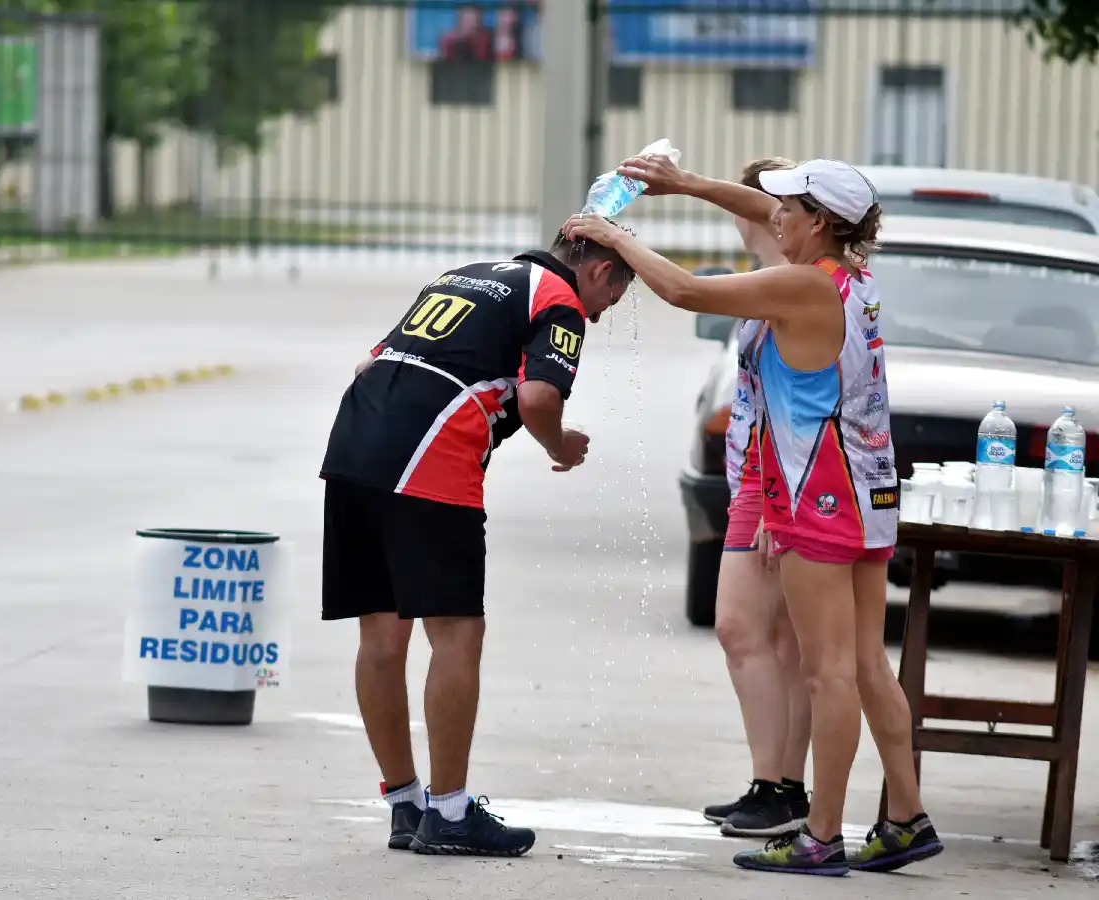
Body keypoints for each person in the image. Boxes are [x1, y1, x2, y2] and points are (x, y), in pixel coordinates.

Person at [564, 157, 942, 876]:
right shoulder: (852, 275)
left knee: (829, 674)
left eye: (787, 210)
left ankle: (820, 836)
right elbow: (761, 208)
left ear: (819, 222)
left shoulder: (803, 285)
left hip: (816, 495)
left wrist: (613, 236)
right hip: (866, 493)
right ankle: (906, 817)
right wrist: (687, 185)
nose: (773, 217)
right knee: (866, 665)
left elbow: (684, 290)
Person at [319, 225, 635, 857]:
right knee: (457, 632)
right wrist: (559, 444)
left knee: (380, 635)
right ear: (600, 272)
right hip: (429, 456)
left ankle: (405, 804)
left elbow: (368, 362)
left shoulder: (464, 275)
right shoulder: (559, 299)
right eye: (612, 299)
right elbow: (538, 396)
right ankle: (449, 814)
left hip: (354, 440)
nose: (601, 316)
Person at [701, 157, 813, 840]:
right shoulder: (784, 278)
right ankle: (782, 787)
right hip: (770, 479)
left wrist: (774, 503)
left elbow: (793, 408)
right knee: (782, 642)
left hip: (773, 480)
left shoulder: (785, 283)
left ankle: (774, 788)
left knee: (739, 628)